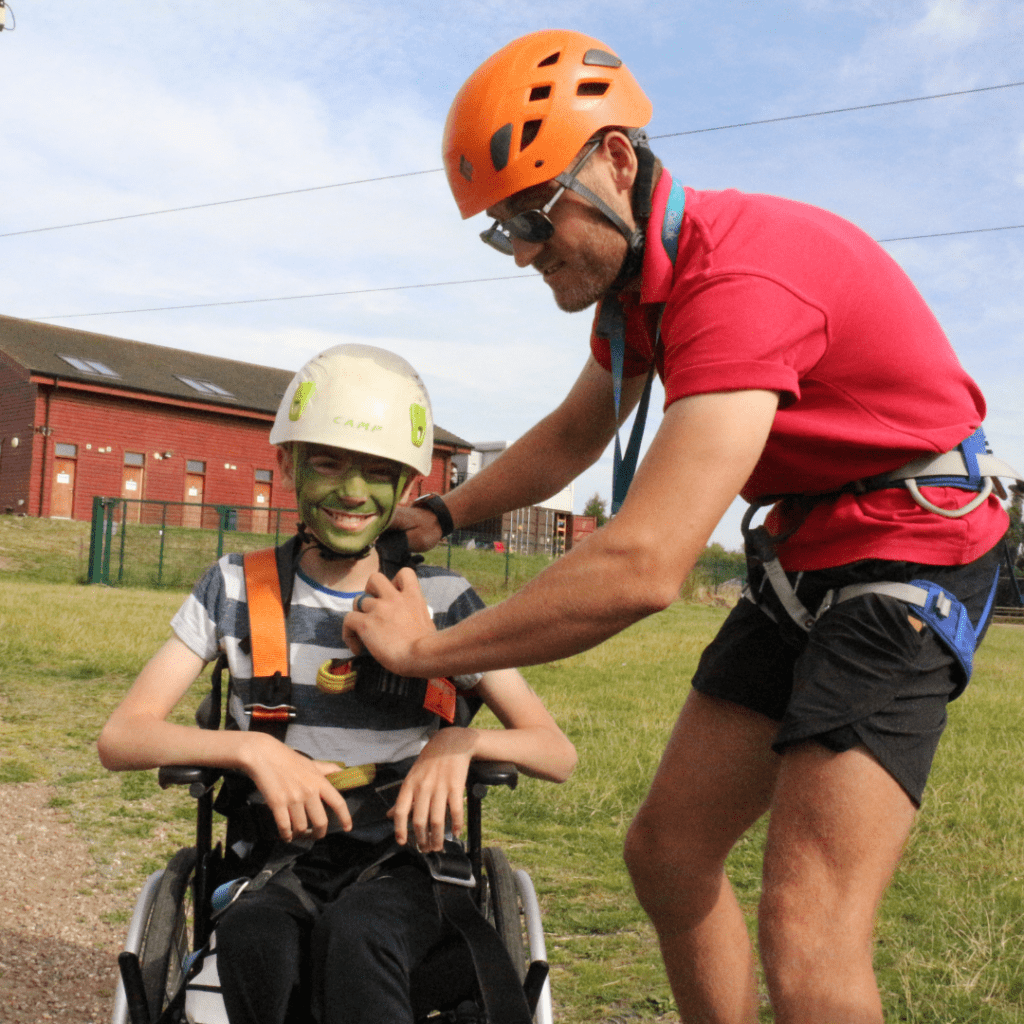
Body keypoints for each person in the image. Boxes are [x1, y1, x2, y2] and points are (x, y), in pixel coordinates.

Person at [341, 29, 1018, 1024]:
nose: (523, 251)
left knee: (808, 927)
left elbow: (643, 565)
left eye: (532, 214)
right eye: (500, 230)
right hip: (809, 549)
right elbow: (577, 430)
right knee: (666, 852)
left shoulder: (740, 282)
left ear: (614, 158)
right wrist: (438, 514)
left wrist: (431, 646)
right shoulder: (638, 296)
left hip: (908, 546)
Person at [98, 343, 577, 1024]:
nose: (352, 491)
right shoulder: (236, 587)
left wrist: (459, 743)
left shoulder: (446, 599)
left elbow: (556, 752)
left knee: (361, 935)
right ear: (287, 462)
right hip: (278, 860)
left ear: (409, 487)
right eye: (327, 461)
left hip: (409, 863)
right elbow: (121, 736)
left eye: (379, 472)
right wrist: (254, 751)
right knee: (256, 937)